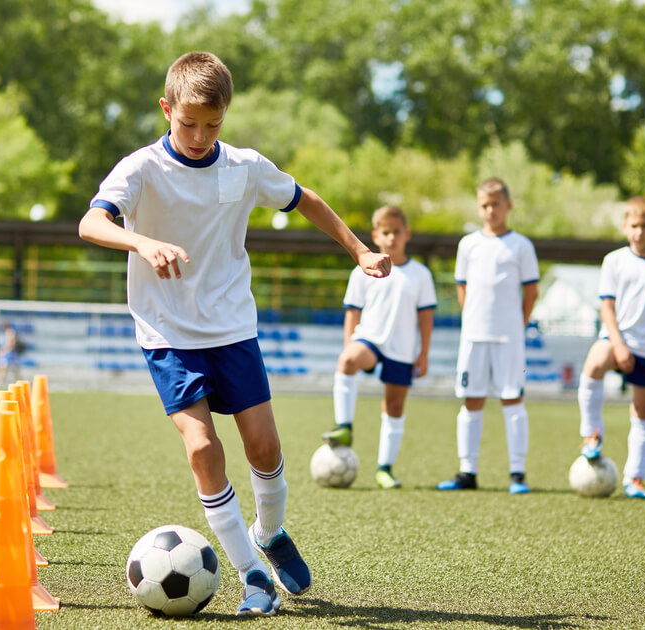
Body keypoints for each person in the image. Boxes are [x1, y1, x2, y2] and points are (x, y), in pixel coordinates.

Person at [79, 52, 392, 617]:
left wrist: (360, 250)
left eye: (213, 125)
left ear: (226, 116)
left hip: (231, 329)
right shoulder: (141, 168)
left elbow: (307, 200)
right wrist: (141, 242)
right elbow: (91, 221)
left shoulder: (244, 166)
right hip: (168, 333)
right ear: (166, 108)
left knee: (265, 448)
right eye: (188, 123)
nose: (199, 136)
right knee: (202, 448)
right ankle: (252, 575)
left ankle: (270, 535)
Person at [321, 205, 436, 490]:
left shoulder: (420, 274)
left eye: (397, 232)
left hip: (403, 348)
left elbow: (426, 316)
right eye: (386, 232)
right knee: (347, 361)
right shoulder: (363, 270)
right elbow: (352, 311)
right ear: (376, 235)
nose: (392, 237)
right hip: (369, 339)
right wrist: (349, 344)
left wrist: (423, 353)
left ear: (406, 234)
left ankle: (384, 469)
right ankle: (345, 427)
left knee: (394, 406)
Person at [437, 177, 539, 494]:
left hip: (509, 338)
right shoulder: (468, 244)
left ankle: (517, 474)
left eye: (496, 204)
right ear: (479, 207)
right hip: (474, 337)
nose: (490, 210)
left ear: (508, 205)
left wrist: (516, 326)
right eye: (484, 205)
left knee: (512, 400)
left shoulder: (521, 246)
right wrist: (472, 320)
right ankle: (468, 472)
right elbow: (462, 287)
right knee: (471, 401)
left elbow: (531, 292)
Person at [577, 197, 645, 499]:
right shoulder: (614, 261)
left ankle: (634, 478)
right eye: (633, 226)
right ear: (625, 227)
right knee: (595, 361)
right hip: (616, 340)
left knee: (643, 413)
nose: (639, 232)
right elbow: (606, 307)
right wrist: (619, 345)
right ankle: (591, 434)